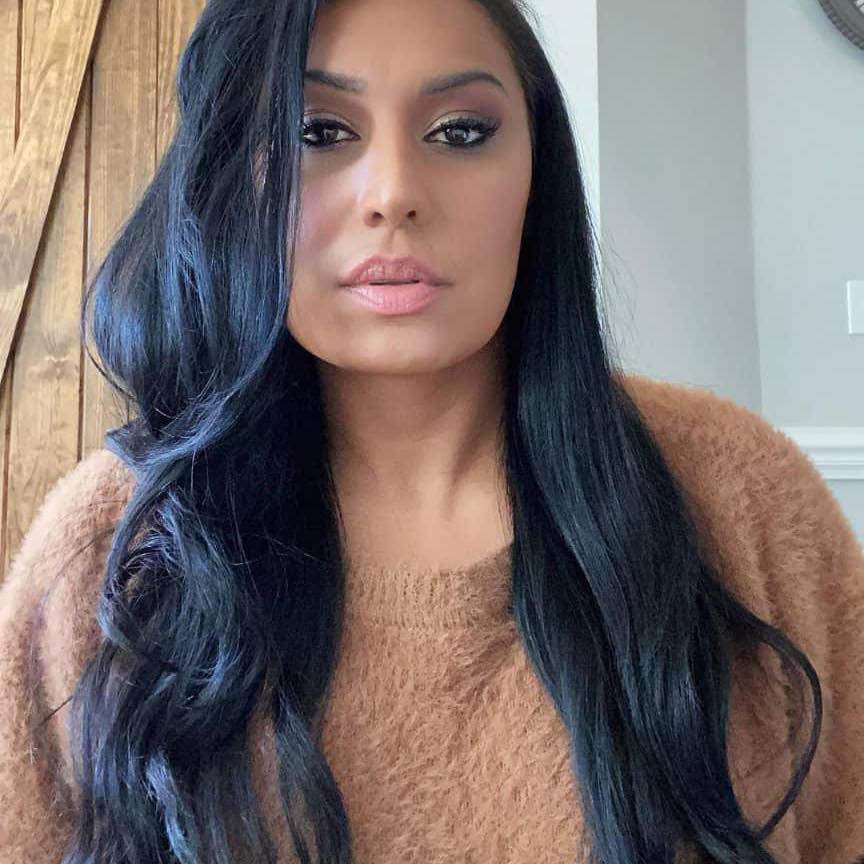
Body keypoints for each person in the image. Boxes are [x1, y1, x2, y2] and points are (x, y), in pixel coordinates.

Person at [1, 0, 862, 862]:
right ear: (232, 179)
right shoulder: (113, 546)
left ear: (538, 170)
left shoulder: (738, 493)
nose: (394, 195)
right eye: (316, 131)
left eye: (460, 132)